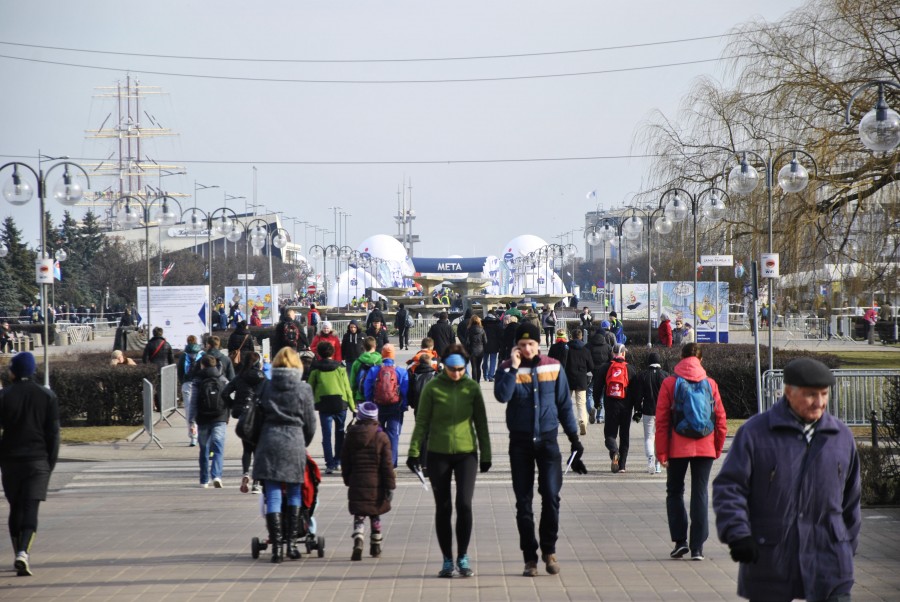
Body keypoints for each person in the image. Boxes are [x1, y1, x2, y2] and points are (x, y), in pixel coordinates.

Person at [712, 357, 860, 601]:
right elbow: (730, 488)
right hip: (771, 559)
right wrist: (737, 533)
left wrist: (845, 545)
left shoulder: (841, 436)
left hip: (830, 561)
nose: (820, 402)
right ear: (788, 393)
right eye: (811, 395)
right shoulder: (756, 433)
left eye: (824, 394)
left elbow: (851, 502)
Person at [493, 321, 585, 577]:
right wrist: (512, 367)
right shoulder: (505, 367)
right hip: (520, 443)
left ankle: (549, 549)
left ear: (539, 345)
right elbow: (502, 396)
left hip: (547, 441)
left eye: (531, 344)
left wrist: (574, 439)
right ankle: (529, 558)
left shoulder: (552, 366)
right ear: (516, 347)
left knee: (552, 496)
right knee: (524, 503)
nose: (527, 349)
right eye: (522, 345)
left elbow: (565, 404)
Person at [407, 344, 491, 578]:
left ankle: (462, 556)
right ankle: (447, 559)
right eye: (452, 369)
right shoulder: (433, 388)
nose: (456, 373)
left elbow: (482, 423)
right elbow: (422, 421)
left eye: (460, 369)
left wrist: (486, 454)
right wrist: (414, 452)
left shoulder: (471, 388)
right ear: (444, 367)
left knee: (464, 504)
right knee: (443, 508)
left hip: (466, 453)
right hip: (438, 452)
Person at [655, 342, 727, 561]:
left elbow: (662, 421)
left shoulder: (669, 383)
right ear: (701, 360)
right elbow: (721, 419)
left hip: (677, 446)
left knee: (675, 492)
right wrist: (717, 447)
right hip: (705, 446)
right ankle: (698, 548)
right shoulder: (710, 384)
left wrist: (662, 453)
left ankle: (680, 542)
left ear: (681, 358)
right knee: (700, 493)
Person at [253, 346, 317, 563]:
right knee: (295, 493)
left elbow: (257, 418)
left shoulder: (266, 386)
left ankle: (276, 548)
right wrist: (302, 441)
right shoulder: (303, 389)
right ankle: (291, 545)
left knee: (272, 495)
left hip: (269, 442)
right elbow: (310, 423)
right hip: (294, 442)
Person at [0, 352, 60, 577]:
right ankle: (23, 552)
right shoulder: (47, 396)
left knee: (15, 507)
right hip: (38, 460)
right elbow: (53, 434)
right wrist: (49, 463)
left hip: (11, 460)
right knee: (30, 508)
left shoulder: (4, 396)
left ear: (14, 371)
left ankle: (18, 551)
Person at [341, 401, 396, 561]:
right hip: (376, 483)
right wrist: (390, 486)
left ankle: (358, 538)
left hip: (357, 480)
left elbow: (345, 459)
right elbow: (387, 464)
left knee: (359, 514)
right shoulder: (381, 436)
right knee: (375, 514)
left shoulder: (351, 434)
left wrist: (347, 478)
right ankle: (375, 545)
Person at [307, 341, 355, 475]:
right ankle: (338, 461)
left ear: (319, 353)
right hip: (340, 403)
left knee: (326, 436)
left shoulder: (316, 369)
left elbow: (309, 387)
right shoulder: (340, 368)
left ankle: (329, 464)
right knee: (340, 433)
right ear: (333, 353)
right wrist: (353, 407)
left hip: (324, 404)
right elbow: (347, 388)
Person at [223, 351, 266, 494]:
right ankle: (256, 484)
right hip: (259, 415)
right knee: (259, 450)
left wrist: (234, 405)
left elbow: (224, 393)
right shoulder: (262, 378)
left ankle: (246, 473)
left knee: (247, 448)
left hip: (244, 415)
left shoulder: (239, 377)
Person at [594, 343, 639, 473]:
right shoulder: (630, 369)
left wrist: (597, 403)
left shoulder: (605, 367)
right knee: (624, 436)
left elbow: (597, 387)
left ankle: (614, 452)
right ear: (624, 353)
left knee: (610, 434)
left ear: (612, 353)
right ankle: (622, 466)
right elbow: (636, 391)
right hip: (626, 407)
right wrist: (637, 409)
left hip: (610, 406)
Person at [363, 344, 409, 468]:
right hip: (395, 406)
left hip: (378, 405)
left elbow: (367, 388)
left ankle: (379, 461)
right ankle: (392, 463)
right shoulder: (400, 370)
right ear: (393, 355)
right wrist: (404, 404)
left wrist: (370, 402)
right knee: (393, 434)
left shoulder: (374, 370)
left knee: (378, 433)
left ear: (382, 355)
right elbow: (404, 390)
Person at [194, 355, 230, 489]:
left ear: (202, 365)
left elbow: (193, 402)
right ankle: (217, 475)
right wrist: (227, 414)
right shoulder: (222, 379)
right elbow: (228, 398)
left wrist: (191, 420)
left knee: (204, 449)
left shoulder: (197, 380)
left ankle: (204, 480)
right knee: (218, 447)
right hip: (219, 417)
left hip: (203, 418)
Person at [634, 352, 668, 474]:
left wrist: (637, 409)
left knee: (649, 437)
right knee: (660, 437)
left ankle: (650, 459)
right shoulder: (665, 376)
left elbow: (638, 396)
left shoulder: (643, 376)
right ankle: (658, 463)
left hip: (648, 410)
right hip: (663, 411)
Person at [563, 328, 593, 436]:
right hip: (581, 380)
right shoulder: (586, 350)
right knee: (581, 404)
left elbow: (563, 364)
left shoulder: (566, 349)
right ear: (581, 337)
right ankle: (582, 421)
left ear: (571, 336)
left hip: (568, 379)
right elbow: (591, 367)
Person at [349, 337, 382, 405]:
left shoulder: (357, 362)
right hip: (376, 396)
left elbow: (353, 383)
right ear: (375, 346)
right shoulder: (381, 361)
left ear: (363, 347)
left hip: (360, 397)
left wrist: (354, 397)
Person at [463, 314, 487, 383]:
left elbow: (466, 342)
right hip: (480, 350)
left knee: (474, 367)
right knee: (478, 367)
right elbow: (485, 341)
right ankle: (478, 382)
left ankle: (474, 382)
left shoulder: (469, 330)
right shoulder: (482, 330)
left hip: (472, 350)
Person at [481, 310, 502, 382]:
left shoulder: (482, 322)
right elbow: (500, 335)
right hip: (494, 344)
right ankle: (491, 376)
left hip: (484, 344)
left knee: (485, 360)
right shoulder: (497, 322)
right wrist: (500, 345)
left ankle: (485, 375)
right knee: (493, 360)